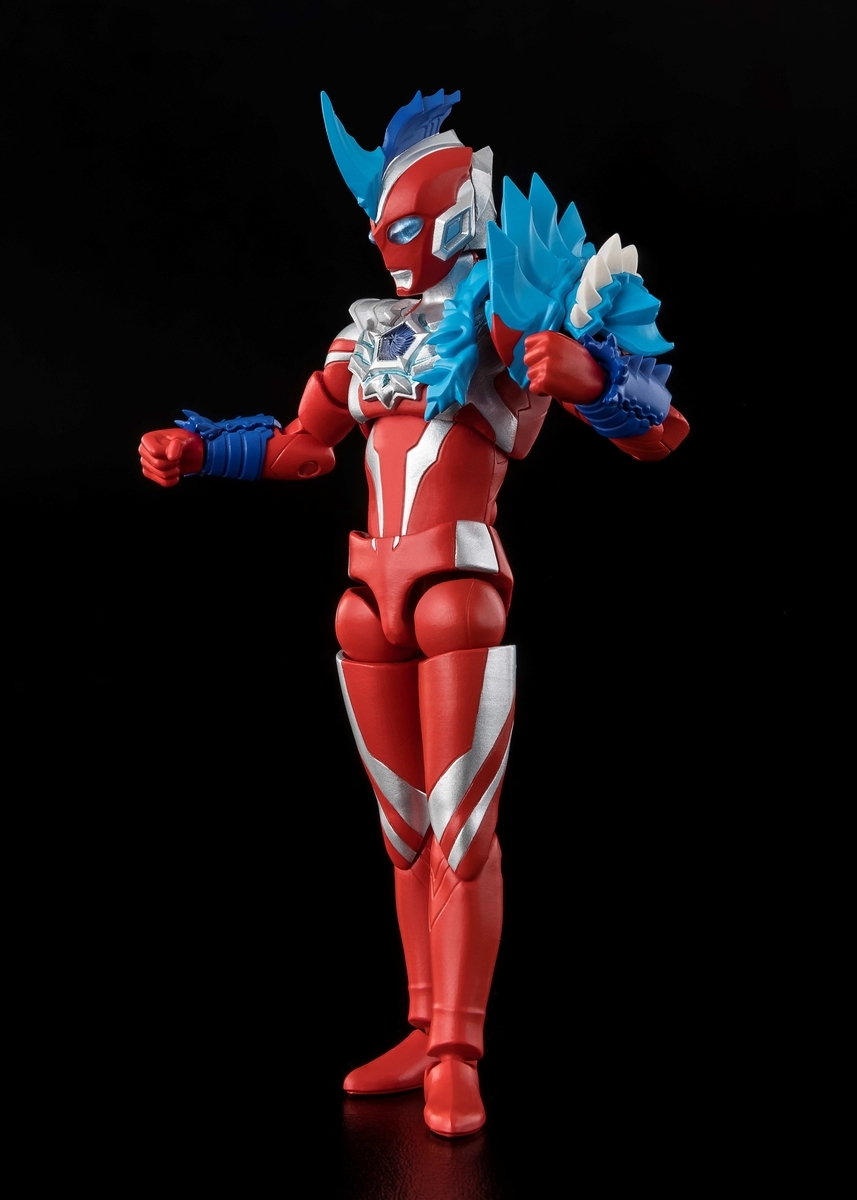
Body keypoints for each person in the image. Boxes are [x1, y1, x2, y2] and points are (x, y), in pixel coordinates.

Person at [139, 88, 688, 1137]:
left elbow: (660, 432)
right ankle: (420, 1024)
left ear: (447, 220)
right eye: (374, 225)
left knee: (463, 832)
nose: (380, 242)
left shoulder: (503, 320)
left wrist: (587, 376)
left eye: (395, 223)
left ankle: (456, 1052)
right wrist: (201, 451)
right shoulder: (359, 342)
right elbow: (304, 447)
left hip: (454, 591)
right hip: (365, 600)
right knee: (404, 837)